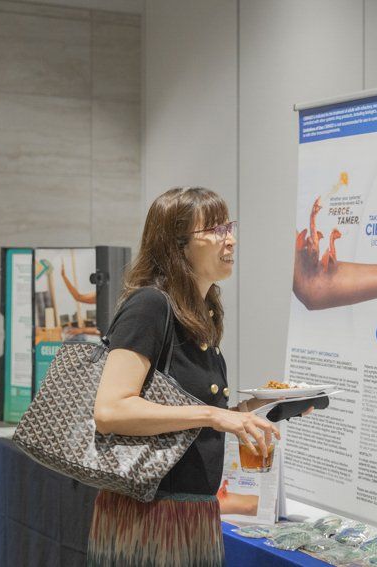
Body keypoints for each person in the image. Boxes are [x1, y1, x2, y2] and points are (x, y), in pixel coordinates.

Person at [88, 187, 282, 566]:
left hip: (190, 512)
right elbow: (111, 410)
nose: (231, 238)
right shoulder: (150, 305)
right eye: (215, 228)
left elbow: (184, 414)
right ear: (177, 246)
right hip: (150, 516)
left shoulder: (201, 312)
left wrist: (255, 408)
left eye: (229, 226)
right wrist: (215, 415)